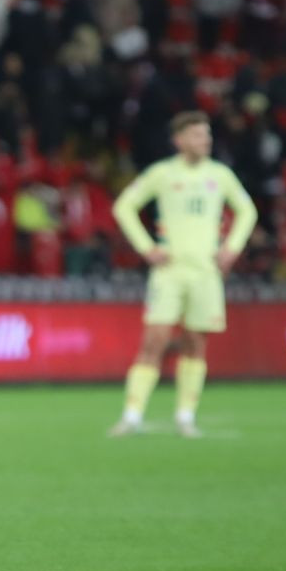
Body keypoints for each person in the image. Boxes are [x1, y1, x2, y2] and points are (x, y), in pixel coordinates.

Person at [110, 111, 258, 438]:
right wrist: (147, 247)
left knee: (195, 343)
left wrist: (232, 247)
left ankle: (185, 416)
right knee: (155, 340)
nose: (204, 140)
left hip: (206, 272)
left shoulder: (220, 175)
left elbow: (248, 210)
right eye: (196, 135)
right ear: (180, 141)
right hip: (169, 271)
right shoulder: (162, 174)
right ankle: (132, 415)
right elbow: (123, 206)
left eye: (206, 135)